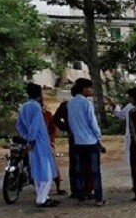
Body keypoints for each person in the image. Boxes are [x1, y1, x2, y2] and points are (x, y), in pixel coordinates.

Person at [16, 83, 59, 208]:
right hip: (39, 142)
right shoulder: (36, 107)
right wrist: (32, 139)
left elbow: (19, 125)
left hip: (32, 142)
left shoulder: (23, 107)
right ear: (39, 95)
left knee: (37, 170)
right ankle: (41, 199)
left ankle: (43, 196)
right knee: (47, 172)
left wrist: (26, 137)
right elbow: (35, 126)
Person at [66, 78, 106, 206]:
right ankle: (99, 199)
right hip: (91, 141)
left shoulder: (70, 103)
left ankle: (81, 197)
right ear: (84, 89)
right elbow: (93, 123)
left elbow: (71, 123)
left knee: (80, 170)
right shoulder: (87, 103)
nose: (91, 90)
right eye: (90, 88)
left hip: (78, 142)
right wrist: (99, 139)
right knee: (95, 171)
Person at [52, 91, 81, 198]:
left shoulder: (66, 104)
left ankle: (76, 189)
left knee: (74, 163)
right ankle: (82, 188)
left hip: (73, 136)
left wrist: (66, 128)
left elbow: (55, 119)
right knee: (81, 162)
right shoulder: (84, 103)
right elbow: (56, 119)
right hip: (81, 136)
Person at [41, 94, 67, 196]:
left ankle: (58, 187)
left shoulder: (47, 114)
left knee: (52, 163)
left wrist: (51, 139)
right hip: (36, 141)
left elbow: (54, 129)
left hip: (46, 142)